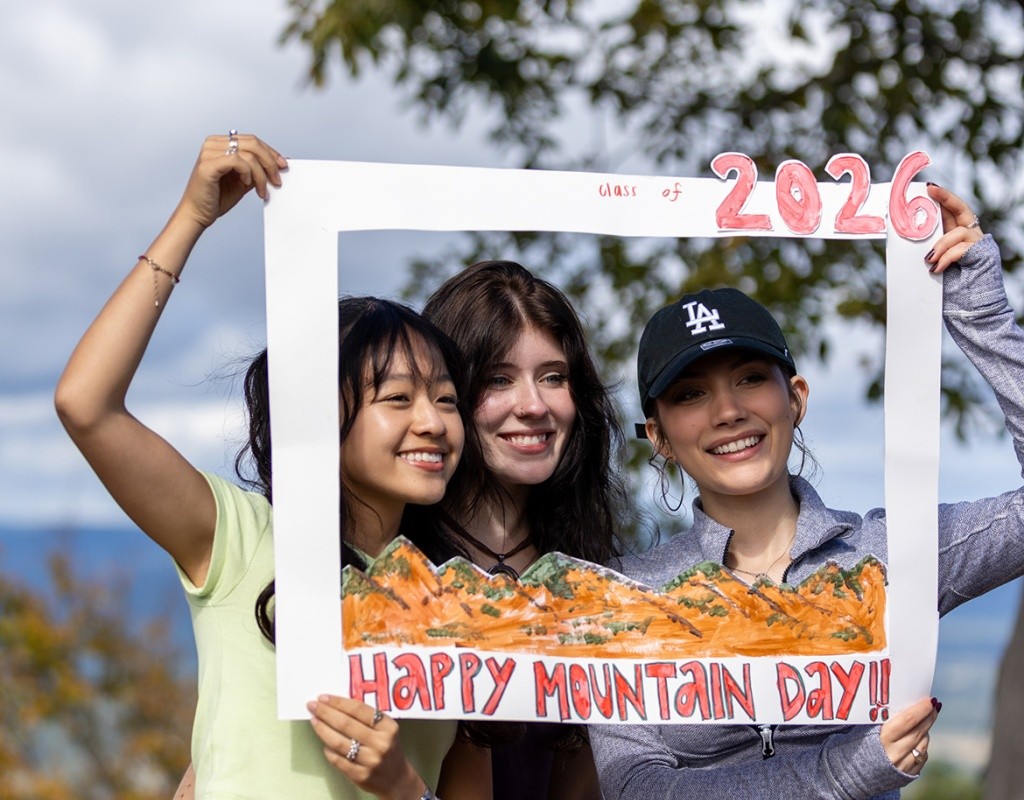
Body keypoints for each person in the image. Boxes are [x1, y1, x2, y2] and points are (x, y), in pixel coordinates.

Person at [55, 133, 483, 799]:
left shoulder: (468, 605)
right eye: (397, 398)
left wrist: (403, 786)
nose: (432, 422)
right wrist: (192, 219)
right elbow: (86, 405)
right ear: (316, 413)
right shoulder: (239, 537)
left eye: (447, 399)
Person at [589, 184, 1020, 799]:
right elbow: (637, 790)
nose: (728, 411)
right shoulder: (627, 597)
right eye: (690, 394)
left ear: (797, 397)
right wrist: (842, 774)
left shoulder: (894, 553)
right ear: (658, 435)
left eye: (749, 378)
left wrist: (980, 311)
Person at [420, 260, 630, 800]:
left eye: (553, 377)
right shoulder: (390, 562)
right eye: (498, 379)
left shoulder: (597, 579)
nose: (533, 406)